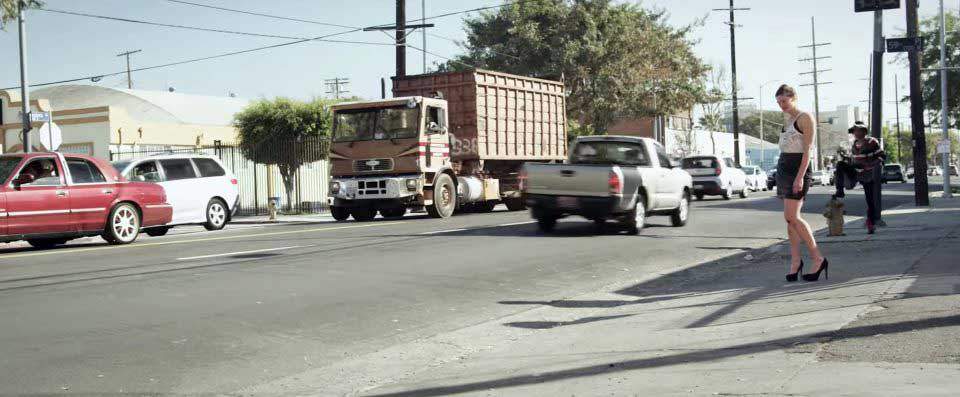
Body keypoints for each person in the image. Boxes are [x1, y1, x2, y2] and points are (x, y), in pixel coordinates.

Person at [774, 84, 829, 282]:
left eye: (784, 101)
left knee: (792, 216)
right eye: (779, 102)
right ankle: (795, 262)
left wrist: (799, 177)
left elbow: (807, 152)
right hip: (783, 168)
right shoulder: (787, 119)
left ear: (793, 98)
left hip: (799, 168)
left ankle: (817, 258)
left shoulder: (805, 118)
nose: (781, 105)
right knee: (789, 219)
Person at [846, 122, 884, 234]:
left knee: (870, 200)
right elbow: (853, 159)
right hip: (857, 173)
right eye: (854, 131)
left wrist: (870, 165)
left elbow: (882, 156)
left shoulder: (872, 142)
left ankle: (870, 223)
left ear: (864, 131)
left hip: (869, 174)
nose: (856, 133)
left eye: (858, 130)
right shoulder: (853, 144)